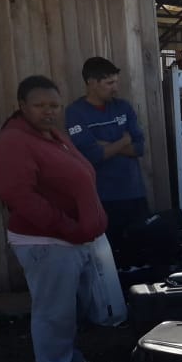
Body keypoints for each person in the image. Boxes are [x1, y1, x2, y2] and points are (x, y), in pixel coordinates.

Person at [0, 76, 112, 362]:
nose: (48, 111)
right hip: (46, 241)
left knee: (67, 309)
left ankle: (69, 361)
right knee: (53, 311)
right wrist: (67, 227)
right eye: (40, 105)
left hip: (68, 239)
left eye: (54, 105)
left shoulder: (51, 135)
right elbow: (19, 195)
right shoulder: (15, 140)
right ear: (22, 106)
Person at [65, 56, 149, 252]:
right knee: (112, 258)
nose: (115, 88)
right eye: (109, 83)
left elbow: (139, 148)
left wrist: (105, 146)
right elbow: (89, 155)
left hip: (134, 194)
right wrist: (123, 141)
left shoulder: (123, 107)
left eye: (116, 82)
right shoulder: (76, 112)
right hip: (102, 198)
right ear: (91, 83)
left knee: (142, 252)